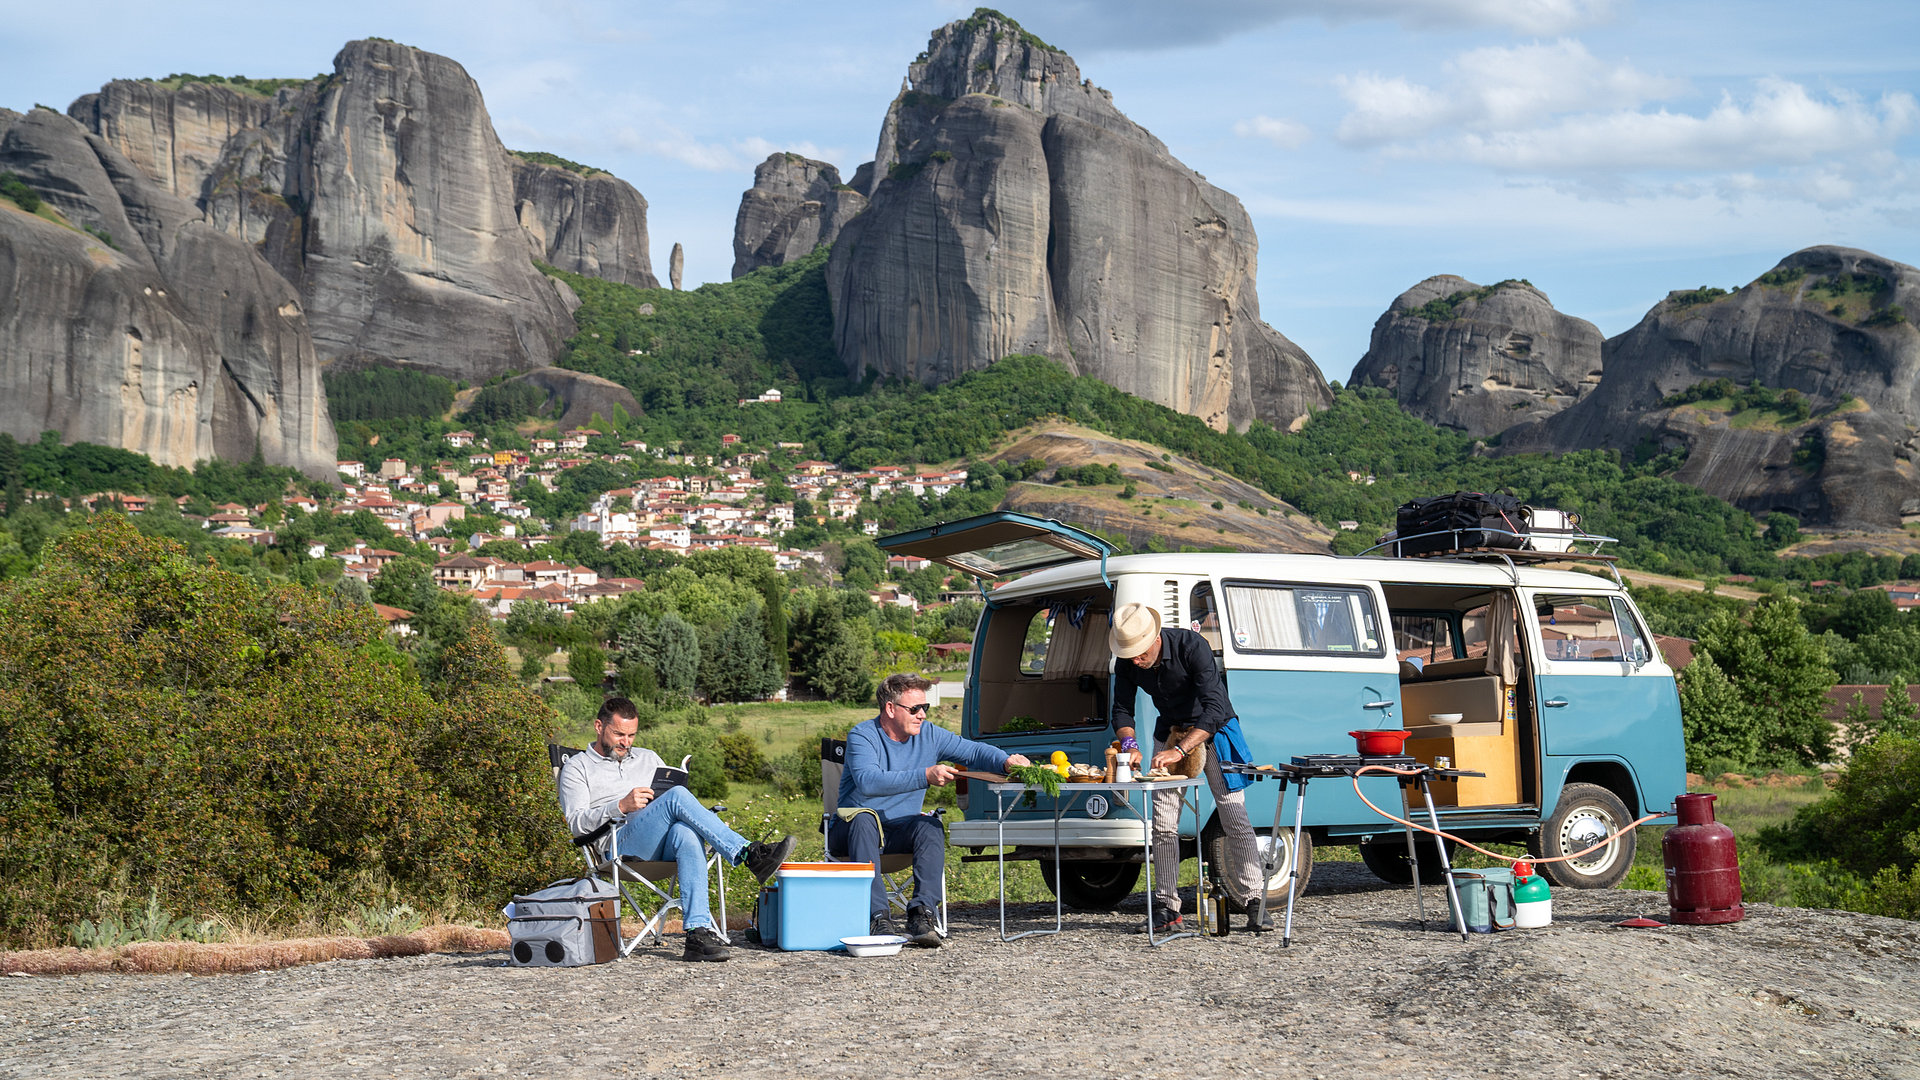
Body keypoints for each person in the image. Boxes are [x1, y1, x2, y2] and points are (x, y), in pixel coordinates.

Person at [559, 697, 796, 963]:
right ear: (599, 726)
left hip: (658, 841)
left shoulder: (648, 758)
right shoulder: (576, 767)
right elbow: (576, 824)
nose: (625, 742)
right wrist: (620, 806)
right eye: (618, 734)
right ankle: (748, 854)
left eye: (632, 735)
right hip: (616, 844)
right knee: (678, 797)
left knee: (685, 832)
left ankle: (697, 935)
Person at [835, 673, 1032, 948]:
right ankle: (877, 917)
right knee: (865, 819)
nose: (922, 715)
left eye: (924, 708)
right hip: (851, 833)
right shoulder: (863, 736)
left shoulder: (929, 735)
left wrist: (1006, 761)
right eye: (914, 709)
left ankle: (921, 915)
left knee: (930, 825)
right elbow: (869, 782)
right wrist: (925, 775)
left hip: (897, 832)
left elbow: (972, 752)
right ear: (890, 709)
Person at [1109, 601, 1268, 933]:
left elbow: (1215, 706)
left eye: (1140, 653)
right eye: (1130, 655)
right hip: (1170, 731)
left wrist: (1181, 749)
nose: (1135, 661)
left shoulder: (1193, 646)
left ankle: (1255, 901)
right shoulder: (1128, 660)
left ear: (1154, 638)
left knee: (1232, 814)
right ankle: (1168, 907)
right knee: (1164, 825)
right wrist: (1130, 744)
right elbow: (1122, 709)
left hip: (1213, 730)